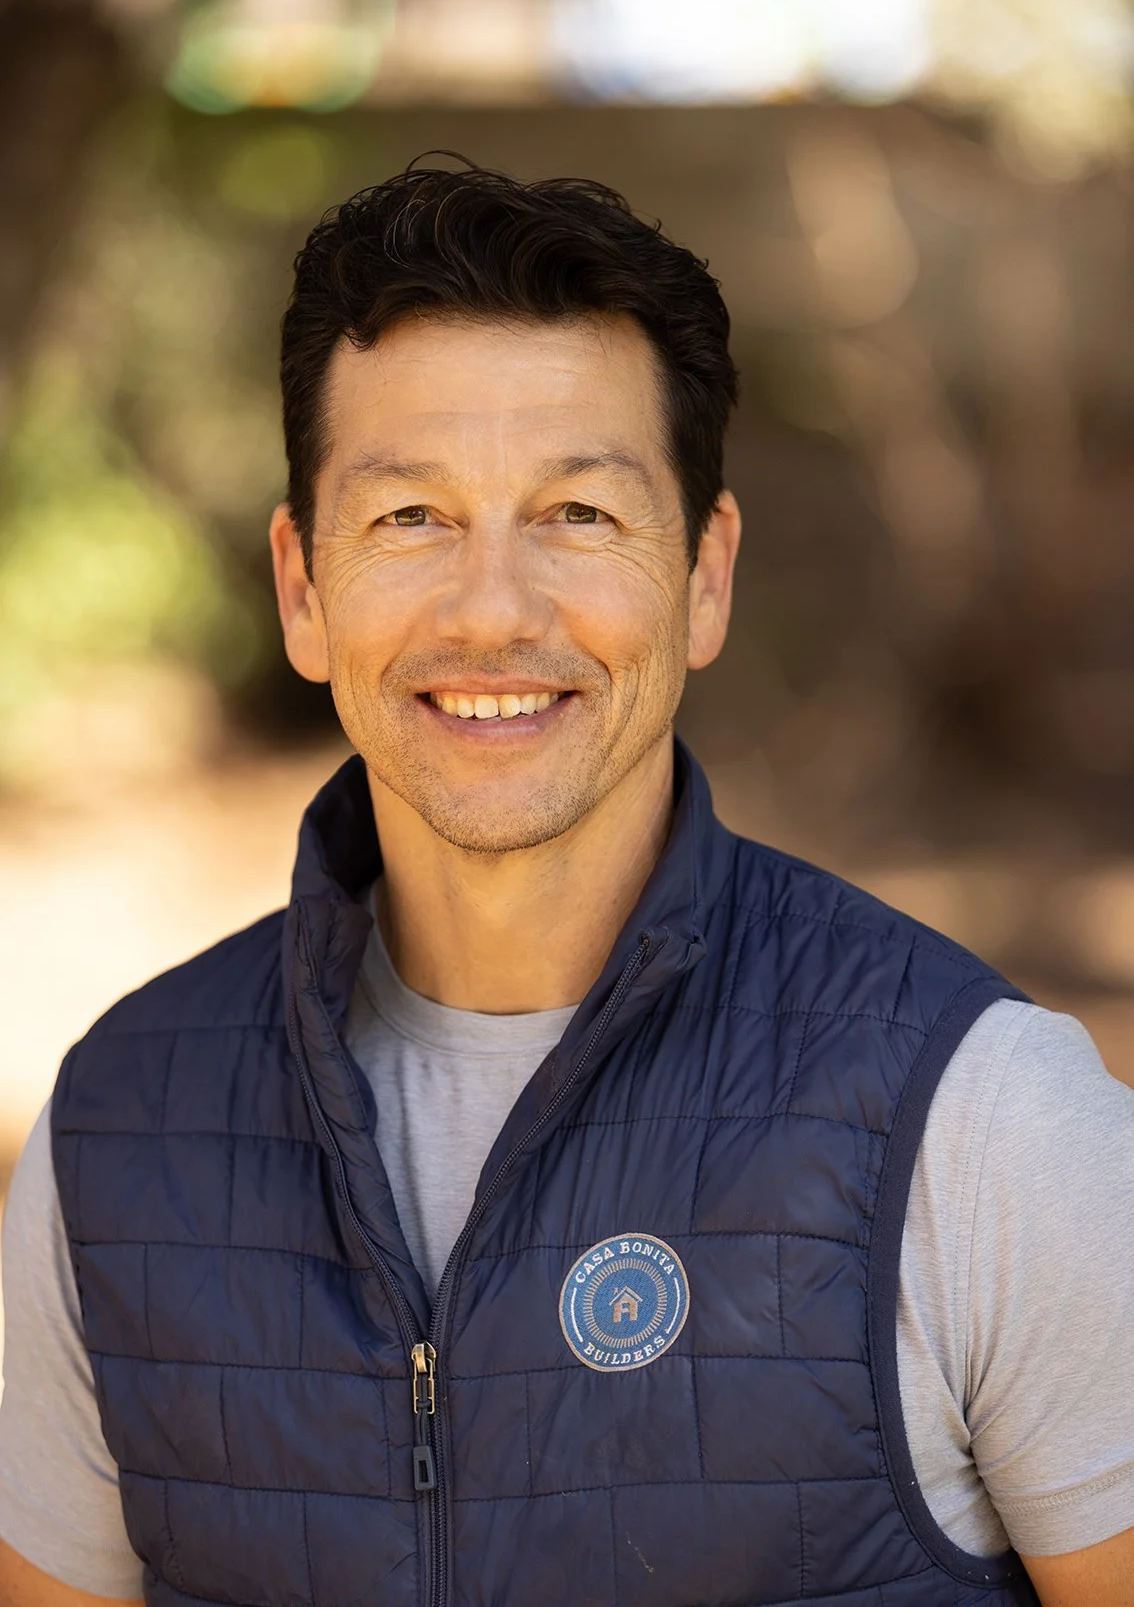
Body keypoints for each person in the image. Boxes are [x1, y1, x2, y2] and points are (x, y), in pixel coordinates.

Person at [0, 163, 1131, 1607]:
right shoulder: (120, 1134)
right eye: (409, 517)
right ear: (301, 587)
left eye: (579, 517)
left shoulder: (985, 1122)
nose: (492, 607)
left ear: (702, 579)